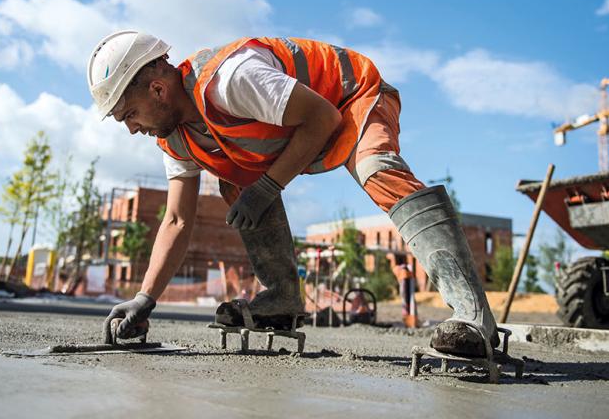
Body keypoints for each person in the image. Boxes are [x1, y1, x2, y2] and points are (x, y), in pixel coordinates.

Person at [88, 32, 499, 356]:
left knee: (377, 169)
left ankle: (472, 317)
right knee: (231, 177)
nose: (131, 128)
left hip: (350, 96)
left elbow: (324, 116)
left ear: (158, 90)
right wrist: (144, 299)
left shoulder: (231, 80)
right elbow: (176, 219)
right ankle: (282, 299)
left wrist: (268, 186)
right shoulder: (176, 139)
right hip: (296, 130)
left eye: (129, 114)